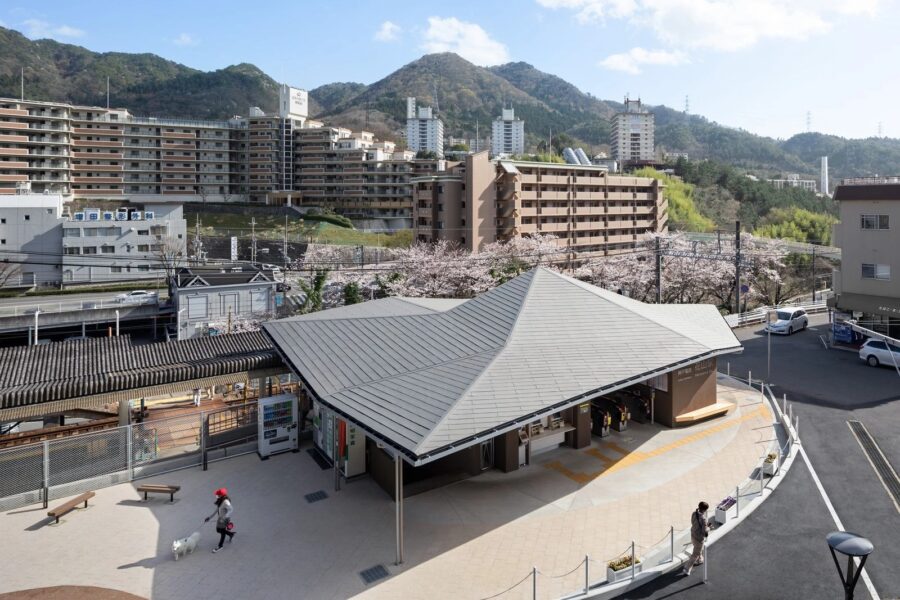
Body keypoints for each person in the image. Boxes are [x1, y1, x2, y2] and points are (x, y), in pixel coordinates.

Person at [682, 501, 709, 576]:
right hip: (699, 538)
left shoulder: (694, 513)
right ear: (704, 510)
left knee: (698, 549)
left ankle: (699, 560)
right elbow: (704, 531)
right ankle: (687, 569)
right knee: (695, 554)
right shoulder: (703, 519)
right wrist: (708, 528)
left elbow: (692, 522)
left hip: (693, 534)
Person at [205, 488, 235, 553]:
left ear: (221, 495)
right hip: (220, 519)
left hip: (224, 519)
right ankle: (231, 534)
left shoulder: (226, 501)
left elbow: (231, 509)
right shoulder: (220, 500)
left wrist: (225, 517)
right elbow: (217, 510)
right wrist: (209, 517)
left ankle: (220, 546)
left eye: (217, 494)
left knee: (222, 532)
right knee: (218, 530)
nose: (216, 495)